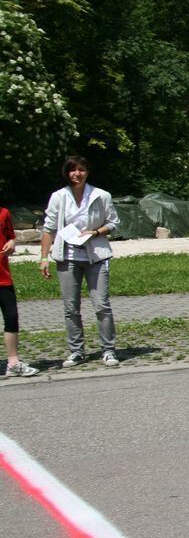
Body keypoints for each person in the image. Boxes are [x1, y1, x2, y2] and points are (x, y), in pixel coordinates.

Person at [39, 157, 121, 368]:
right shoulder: (59, 197)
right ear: (67, 173)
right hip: (68, 258)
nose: (77, 174)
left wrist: (95, 232)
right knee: (70, 307)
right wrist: (43, 258)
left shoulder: (101, 195)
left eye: (81, 170)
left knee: (101, 305)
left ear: (87, 172)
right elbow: (49, 228)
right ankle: (77, 351)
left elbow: (113, 222)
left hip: (96, 256)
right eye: (73, 170)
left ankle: (108, 349)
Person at [1, 205, 38, 378]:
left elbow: (11, 237)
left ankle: (13, 363)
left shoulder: (4, 212)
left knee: (11, 317)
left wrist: (11, 243)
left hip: (3, 277)